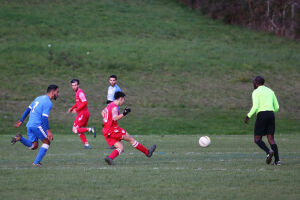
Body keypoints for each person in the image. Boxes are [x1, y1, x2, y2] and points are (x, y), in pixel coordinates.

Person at [102, 91, 156, 165]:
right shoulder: (114, 107)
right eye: (123, 99)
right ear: (120, 98)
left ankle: (109, 158)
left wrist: (106, 122)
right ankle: (147, 152)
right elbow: (115, 118)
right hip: (113, 130)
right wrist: (124, 113)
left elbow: (103, 112)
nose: (124, 101)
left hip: (106, 130)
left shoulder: (110, 105)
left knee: (121, 148)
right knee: (131, 139)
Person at [11, 85, 59, 166]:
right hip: (37, 125)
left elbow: (28, 109)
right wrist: (48, 131)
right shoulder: (48, 102)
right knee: (47, 142)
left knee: (34, 146)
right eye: (57, 92)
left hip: (29, 125)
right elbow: (44, 118)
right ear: (52, 92)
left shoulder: (38, 98)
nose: (58, 94)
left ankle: (20, 138)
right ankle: (36, 163)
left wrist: (21, 121)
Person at [245, 76, 281, 165]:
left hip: (262, 115)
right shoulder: (270, 91)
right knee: (271, 139)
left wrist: (248, 116)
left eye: (253, 82)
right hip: (271, 114)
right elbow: (277, 107)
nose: (253, 83)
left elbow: (255, 106)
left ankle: (268, 152)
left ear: (257, 83)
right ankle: (277, 161)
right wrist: (271, 113)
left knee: (257, 139)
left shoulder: (256, 92)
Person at [68, 79, 96, 149]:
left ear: (78, 85)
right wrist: (72, 108)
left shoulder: (80, 92)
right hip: (83, 114)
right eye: (72, 85)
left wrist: (76, 110)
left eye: (75, 85)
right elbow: (78, 103)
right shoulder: (77, 92)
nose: (74, 87)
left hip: (82, 114)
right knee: (79, 130)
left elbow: (84, 102)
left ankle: (90, 129)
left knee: (74, 130)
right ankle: (86, 145)